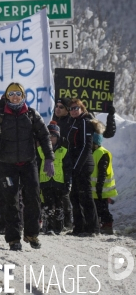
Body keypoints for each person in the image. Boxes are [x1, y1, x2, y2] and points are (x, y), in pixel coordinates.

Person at [0, 83, 54, 251]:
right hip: (7, 166)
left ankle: (31, 234)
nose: (15, 96)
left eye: (18, 94)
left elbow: (44, 136)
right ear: (7, 96)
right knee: (11, 202)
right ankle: (14, 238)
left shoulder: (31, 115)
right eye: (12, 94)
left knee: (34, 200)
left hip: (29, 163)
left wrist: (49, 159)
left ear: (23, 96)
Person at [66, 99, 99, 237]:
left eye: (76, 108)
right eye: (71, 108)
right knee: (74, 196)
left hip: (84, 164)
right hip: (76, 164)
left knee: (85, 196)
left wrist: (77, 166)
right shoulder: (74, 121)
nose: (73, 111)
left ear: (82, 108)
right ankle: (79, 227)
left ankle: (92, 228)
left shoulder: (85, 121)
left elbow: (86, 146)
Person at [37, 122, 70, 235]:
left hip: (59, 182)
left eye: (54, 136)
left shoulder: (63, 151)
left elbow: (67, 168)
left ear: (58, 137)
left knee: (59, 205)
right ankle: (49, 226)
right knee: (47, 205)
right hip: (45, 181)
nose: (51, 138)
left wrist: (68, 182)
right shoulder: (41, 149)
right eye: (49, 136)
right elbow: (37, 164)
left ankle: (59, 227)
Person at [51, 97, 73, 230]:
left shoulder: (70, 122)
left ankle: (68, 221)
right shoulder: (53, 120)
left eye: (61, 107)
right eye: (56, 106)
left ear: (67, 110)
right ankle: (54, 221)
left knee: (65, 192)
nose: (57, 109)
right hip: (53, 159)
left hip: (65, 158)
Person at [91, 127, 116, 235]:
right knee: (96, 208)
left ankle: (107, 225)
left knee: (103, 209)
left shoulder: (102, 153)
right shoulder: (92, 152)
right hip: (95, 189)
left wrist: (99, 187)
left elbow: (102, 172)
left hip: (102, 189)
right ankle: (100, 224)